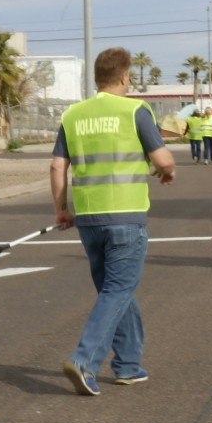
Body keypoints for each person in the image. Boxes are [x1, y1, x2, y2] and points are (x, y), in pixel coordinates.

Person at [50, 47, 176, 396]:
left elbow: (57, 166)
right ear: (124, 77)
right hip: (125, 215)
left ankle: (128, 366)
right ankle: (84, 360)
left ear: (97, 77)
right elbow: (162, 157)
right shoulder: (135, 109)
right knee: (118, 290)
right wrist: (168, 171)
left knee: (117, 291)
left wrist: (62, 208)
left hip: (89, 218)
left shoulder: (73, 114)